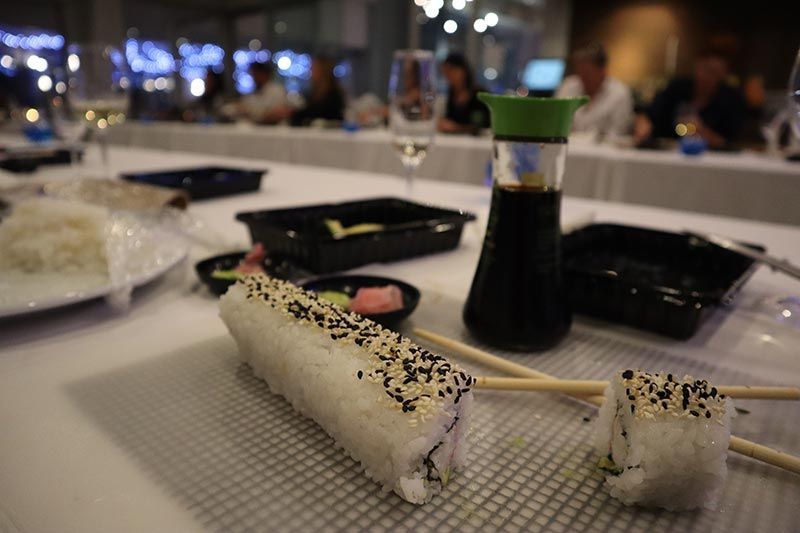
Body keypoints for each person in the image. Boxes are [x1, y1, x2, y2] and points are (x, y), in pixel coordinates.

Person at [634, 51, 746, 149]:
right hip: (666, 155)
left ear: (722, 75)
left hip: (713, 161)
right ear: (696, 67)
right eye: (704, 69)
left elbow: (729, 144)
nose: (706, 76)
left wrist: (701, 131)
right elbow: (647, 115)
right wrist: (643, 127)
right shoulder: (677, 88)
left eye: (714, 72)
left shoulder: (731, 99)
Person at [555, 43, 633, 138]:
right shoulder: (567, 86)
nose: (582, 77)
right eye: (579, 70)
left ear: (603, 70)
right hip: (570, 148)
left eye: (588, 72)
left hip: (603, 151)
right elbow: (556, 125)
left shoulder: (620, 93)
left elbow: (617, 134)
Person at [437, 53, 489, 134]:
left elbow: (482, 126)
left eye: (451, 71)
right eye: (445, 72)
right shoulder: (452, 92)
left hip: (479, 143)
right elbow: (449, 118)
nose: (448, 76)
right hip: (458, 141)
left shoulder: (479, 95)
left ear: (463, 70)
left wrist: (456, 128)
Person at [290, 56, 345, 126]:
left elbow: (331, 117)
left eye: (314, 69)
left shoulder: (334, 95)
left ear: (322, 71)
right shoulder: (313, 93)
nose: (311, 72)